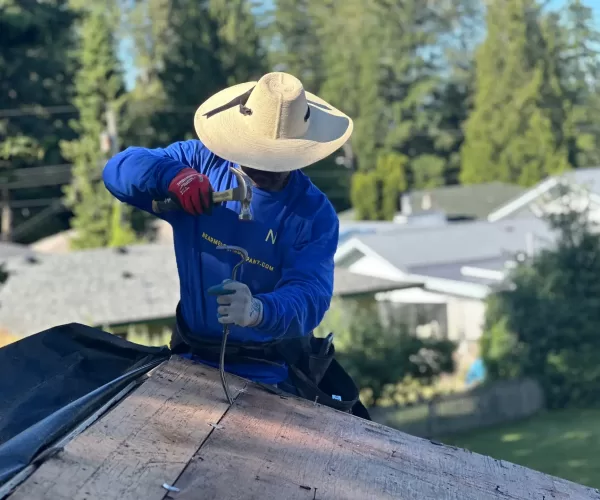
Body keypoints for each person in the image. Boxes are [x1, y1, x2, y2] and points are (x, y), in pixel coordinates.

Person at [102, 72, 363, 409]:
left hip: (270, 374)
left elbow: (310, 296)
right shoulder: (199, 162)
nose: (265, 168)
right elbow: (118, 169)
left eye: (278, 159)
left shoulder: (313, 214)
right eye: (259, 155)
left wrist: (259, 310)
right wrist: (171, 177)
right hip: (190, 357)